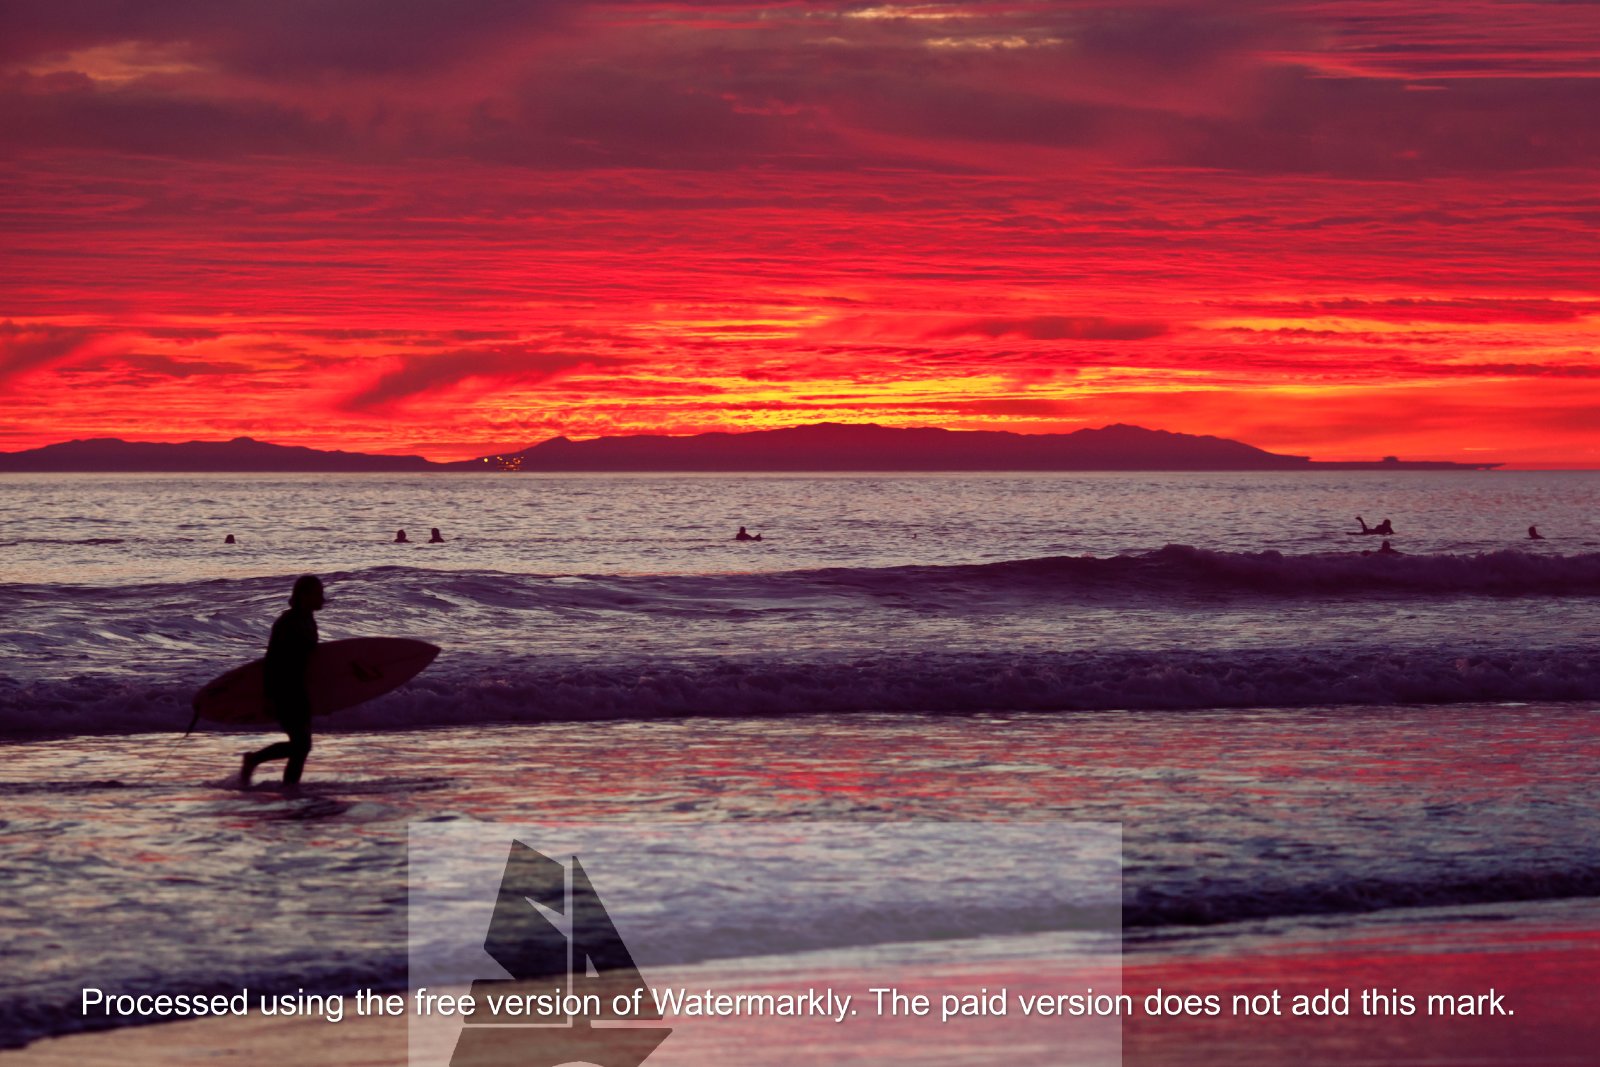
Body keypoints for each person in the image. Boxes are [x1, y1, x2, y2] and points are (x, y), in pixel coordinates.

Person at [241, 574, 324, 788]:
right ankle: (254, 760)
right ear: (304, 595)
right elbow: (272, 659)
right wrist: (269, 696)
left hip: (299, 689)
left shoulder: (307, 619)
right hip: (284, 689)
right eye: (317, 594)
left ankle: (289, 787)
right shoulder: (288, 622)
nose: (322, 598)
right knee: (302, 744)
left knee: (302, 746)